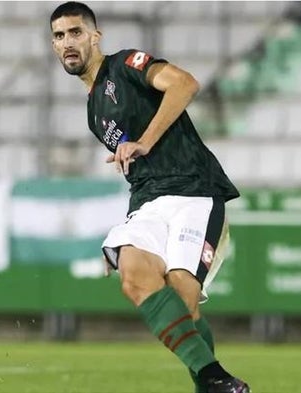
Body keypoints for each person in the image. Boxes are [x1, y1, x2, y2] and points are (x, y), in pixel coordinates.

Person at [50, 2, 249, 393]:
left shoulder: (125, 65)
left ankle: (210, 383)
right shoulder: (93, 112)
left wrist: (143, 141)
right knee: (133, 274)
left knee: (182, 303)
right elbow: (139, 168)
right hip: (148, 201)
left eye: (75, 32)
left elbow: (185, 83)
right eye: (58, 36)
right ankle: (215, 380)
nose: (67, 42)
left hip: (194, 190)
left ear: (95, 36)